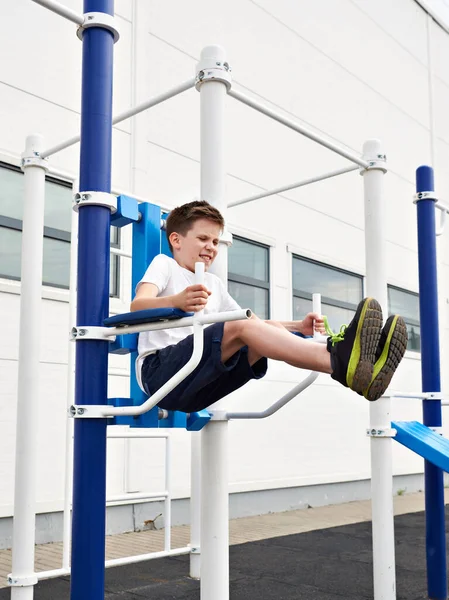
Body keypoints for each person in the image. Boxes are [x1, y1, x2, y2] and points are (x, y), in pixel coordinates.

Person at [131, 200, 408, 413]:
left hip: (198, 386)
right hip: (161, 377)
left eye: (215, 241)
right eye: (203, 239)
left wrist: (297, 327)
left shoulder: (213, 283)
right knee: (241, 328)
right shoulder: (164, 264)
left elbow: (252, 326)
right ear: (176, 240)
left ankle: (359, 371)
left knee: (254, 333)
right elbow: (137, 306)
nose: (211, 247)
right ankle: (339, 358)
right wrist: (176, 301)